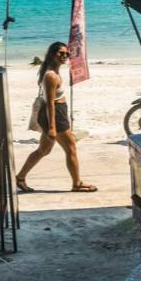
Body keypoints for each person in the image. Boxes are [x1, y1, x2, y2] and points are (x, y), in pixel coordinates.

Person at [15, 41, 97, 193]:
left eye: (67, 54)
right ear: (52, 54)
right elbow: (50, 104)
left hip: (58, 113)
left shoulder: (53, 71)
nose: (64, 56)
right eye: (61, 53)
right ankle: (77, 183)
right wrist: (52, 127)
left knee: (43, 150)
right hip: (55, 115)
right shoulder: (51, 76)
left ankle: (20, 177)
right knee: (71, 148)